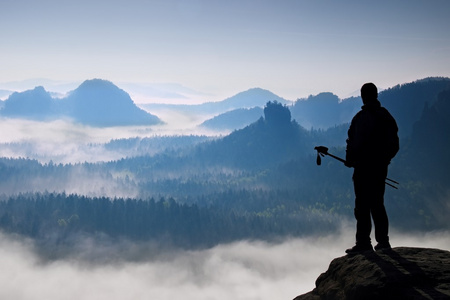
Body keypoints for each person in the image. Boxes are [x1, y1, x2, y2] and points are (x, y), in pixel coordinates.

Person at [345, 82, 399, 254]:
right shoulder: (385, 116)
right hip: (378, 169)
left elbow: (352, 143)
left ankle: (363, 243)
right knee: (377, 204)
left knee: (362, 206)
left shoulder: (359, 119)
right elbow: (394, 145)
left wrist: (350, 159)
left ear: (363, 96)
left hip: (362, 169)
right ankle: (383, 242)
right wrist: (384, 161)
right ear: (376, 95)